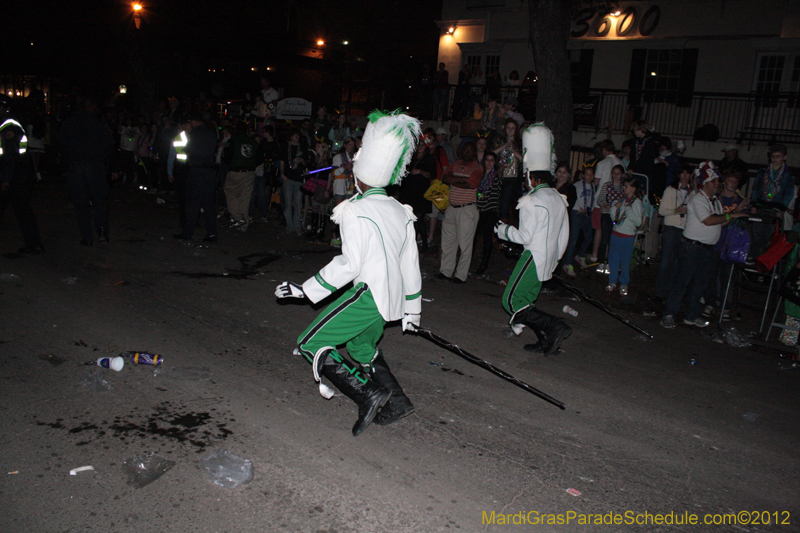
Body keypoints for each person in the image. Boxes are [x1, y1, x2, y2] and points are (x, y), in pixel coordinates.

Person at [274, 110, 422, 436]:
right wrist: (412, 308)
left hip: (369, 295)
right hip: (391, 300)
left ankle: (367, 393)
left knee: (310, 342)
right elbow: (410, 263)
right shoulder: (400, 211)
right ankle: (397, 402)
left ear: (360, 176)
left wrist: (305, 290)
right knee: (360, 349)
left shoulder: (355, 210)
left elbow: (350, 264)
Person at [496, 124, 571, 356]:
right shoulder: (559, 198)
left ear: (531, 175)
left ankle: (555, 326)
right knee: (527, 299)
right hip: (548, 258)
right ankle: (548, 340)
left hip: (533, 256)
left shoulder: (531, 200)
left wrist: (504, 230)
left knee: (510, 300)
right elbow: (564, 234)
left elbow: (525, 237)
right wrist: (555, 259)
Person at [660, 162, 749, 329]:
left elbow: (719, 223)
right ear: (705, 183)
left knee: (699, 284)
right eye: (714, 181)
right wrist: (732, 214)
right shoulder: (697, 199)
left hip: (707, 249)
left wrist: (732, 216)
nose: (718, 184)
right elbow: (709, 220)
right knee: (682, 282)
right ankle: (669, 313)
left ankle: (691, 315)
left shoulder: (714, 201)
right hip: (692, 248)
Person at [58, 98, 115, 246]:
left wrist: (67, 166)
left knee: (81, 202)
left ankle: (87, 236)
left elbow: (62, 146)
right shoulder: (97, 124)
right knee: (99, 200)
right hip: (94, 165)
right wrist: (112, 166)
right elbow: (108, 146)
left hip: (76, 166)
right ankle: (102, 231)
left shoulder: (69, 123)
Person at [0, 95, 44, 253]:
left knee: (23, 210)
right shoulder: (8, 124)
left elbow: (10, 156)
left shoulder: (9, 127)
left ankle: (34, 245)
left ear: (6, 108)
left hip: (16, 176)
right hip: (17, 175)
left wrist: (5, 180)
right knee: (22, 210)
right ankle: (34, 244)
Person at [703, 168, 749, 318]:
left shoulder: (741, 201)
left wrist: (741, 210)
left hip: (730, 244)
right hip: (716, 240)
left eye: (735, 182)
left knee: (727, 277)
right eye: (730, 180)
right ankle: (710, 303)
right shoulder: (716, 198)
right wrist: (734, 213)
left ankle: (725, 307)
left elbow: (744, 222)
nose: (732, 183)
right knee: (711, 275)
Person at [436, 142, 483, 283]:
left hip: (466, 209)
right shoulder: (455, 164)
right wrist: (462, 179)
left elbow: (471, 184)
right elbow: (445, 178)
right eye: (465, 149)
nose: (467, 152)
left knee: (465, 245)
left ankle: (460, 275)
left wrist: (454, 179)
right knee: (448, 242)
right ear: (461, 151)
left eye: (470, 150)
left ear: (474, 153)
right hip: (452, 207)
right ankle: (445, 271)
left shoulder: (477, 167)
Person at [173, 114, 219, 242]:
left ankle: (188, 232)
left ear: (194, 121)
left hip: (197, 170)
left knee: (193, 202)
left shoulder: (194, 134)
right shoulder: (212, 133)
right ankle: (212, 233)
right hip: (209, 172)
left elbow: (188, 150)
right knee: (208, 204)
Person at [654, 164, 694, 301]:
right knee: (665, 262)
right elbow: (661, 211)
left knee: (677, 263)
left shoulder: (693, 193)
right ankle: (659, 292)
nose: (685, 177)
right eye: (683, 173)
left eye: (688, 174)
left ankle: (671, 292)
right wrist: (676, 211)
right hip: (671, 229)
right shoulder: (670, 190)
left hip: (685, 230)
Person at [605, 176, 643, 296]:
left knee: (625, 261)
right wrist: (613, 209)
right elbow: (615, 219)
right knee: (613, 259)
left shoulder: (636, 202)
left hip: (627, 236)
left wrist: (628, 211)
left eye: (626, 186)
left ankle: (624, 284)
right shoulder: (622, 199)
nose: (624, 188)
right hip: (616, 233)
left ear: (633, 189)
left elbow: (638, 222)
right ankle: (612, 281)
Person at [399, 135, 436, 252]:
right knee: (412, 217)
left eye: (422, 144)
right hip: (410, 191)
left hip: (421, 192)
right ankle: (413, 242)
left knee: (419, 217)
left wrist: (420, 171)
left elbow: (432, 174)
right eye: (418, 144)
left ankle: (424, 243)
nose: (420, 146)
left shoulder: (429, 158)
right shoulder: (412, 157)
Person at [223, 122, 261, 232]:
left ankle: (238, 218)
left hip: (236, 172)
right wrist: (252, 164)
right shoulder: (253, 143)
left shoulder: (233, 141)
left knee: (230, 193)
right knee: (245, 198)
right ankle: (244, 224)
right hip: (249, 173)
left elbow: (227, 156)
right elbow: (260, 157)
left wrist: (230, 165)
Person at [590, 140, 622, 265]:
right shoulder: (620, 162)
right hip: (615, 202)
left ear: (605, 150)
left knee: (599, 229)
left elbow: (596, 182)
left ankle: (595, 255)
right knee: (611, 230)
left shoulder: (602, 163)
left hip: (601, 201)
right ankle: (607, 256)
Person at [563, 166, 594, 278]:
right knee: (573, 239)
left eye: (591, 174)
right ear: (583, 175)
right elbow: (571, 199)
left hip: (587, 214)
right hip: (577, 214)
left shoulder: (592, 186)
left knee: (588, 237)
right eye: (587, 174)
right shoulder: (577, 185)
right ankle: (568, 263)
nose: (589, 176)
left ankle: (580, 255)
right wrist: (577, 207)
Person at [595, 165, 626, 274]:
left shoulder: (624, 188)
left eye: (618, 173)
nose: (616, 175)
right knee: (605, 239)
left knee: (613, 240)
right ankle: (601, 261)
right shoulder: (607, 185)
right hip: (607, 215)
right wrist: (605, 205)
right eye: (614, 173)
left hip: (618, 216)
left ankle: (610, 262)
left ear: (622, 175)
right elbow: (600, 199)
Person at [474, 151, 501, 277]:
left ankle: (483, 265)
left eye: (492, 160)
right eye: (487, 160)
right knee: (473, 237)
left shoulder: (496, 175)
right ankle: (470, 263)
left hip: (489, 210)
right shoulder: (481, 175)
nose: (489, 162)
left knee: (487, 238)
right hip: (479, 209)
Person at [494, 118, 523, 223]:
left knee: (513, 205)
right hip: (501, 176)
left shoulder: (520, 143)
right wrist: (504, 146)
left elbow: (524, 160)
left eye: (513, 128)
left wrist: (513, 151)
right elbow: (492, 154)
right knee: (502, 205)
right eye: (508, 127)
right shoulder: (500, 141)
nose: (510, 130)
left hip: (515, 178)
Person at [281, 128, 309, 235]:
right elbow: (282, 161)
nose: (296, 137)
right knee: (288, 202)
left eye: (297, 135)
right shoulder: (285, 147)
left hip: (299, 177)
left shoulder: (302, 147)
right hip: (288, 177)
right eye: (294, 135)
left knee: (298, 203)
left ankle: (297, 225)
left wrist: (301, 160)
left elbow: (307, 161)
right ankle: (289, 225)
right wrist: (282, 174)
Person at [329, 136, 356, 247]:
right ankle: (334, 238)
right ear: (345, 145)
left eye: (352, 146)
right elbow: (334, 172)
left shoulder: (353, 157)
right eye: (349, 145)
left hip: (349, 187)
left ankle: (344, 238)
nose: (351, 147)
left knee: (347, 214)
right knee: (338, 213)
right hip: (339, 186)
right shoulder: (338, 157)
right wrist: (344, 168)